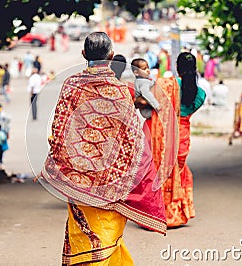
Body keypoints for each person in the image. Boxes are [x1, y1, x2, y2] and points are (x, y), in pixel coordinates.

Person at [37, 32, 166, 265]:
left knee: (83, 233)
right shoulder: (120, 91)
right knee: (106, 234)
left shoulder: (70, 85)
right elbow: (133, 141)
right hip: (111, 183)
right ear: (112, 56)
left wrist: (61, 165)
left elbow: (59, 130)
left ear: (83, 54)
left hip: (78, 182)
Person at [163, 52, 206, 227]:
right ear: (195, 69)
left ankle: (162, 213)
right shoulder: (201, 94)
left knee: (164, 173)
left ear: (177, 67)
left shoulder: (169, 85)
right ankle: (178, 213)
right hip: (183, 136)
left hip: (167, 132)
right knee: (178, 172)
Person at [131, 58, 161, 127]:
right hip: (148, 111)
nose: (147, 70)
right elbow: (147, 94)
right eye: (144, 69)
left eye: (148, 68)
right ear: (136, 72)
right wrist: (157, 106)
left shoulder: (143, 80)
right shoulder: (142, 82)